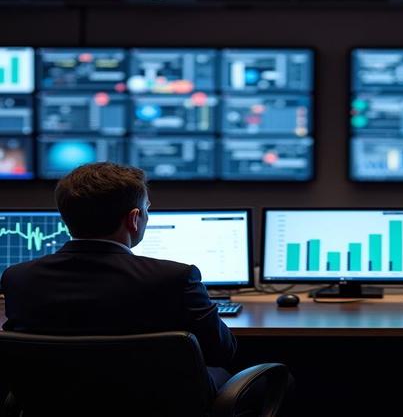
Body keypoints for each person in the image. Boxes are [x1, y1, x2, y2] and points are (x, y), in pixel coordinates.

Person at [1, 162, 236, 395]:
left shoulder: (18, 278)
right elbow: (222, 351)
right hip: (154, 404)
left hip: (56, 402)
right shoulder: (175, 278)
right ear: (134, 219)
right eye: (147, 209)